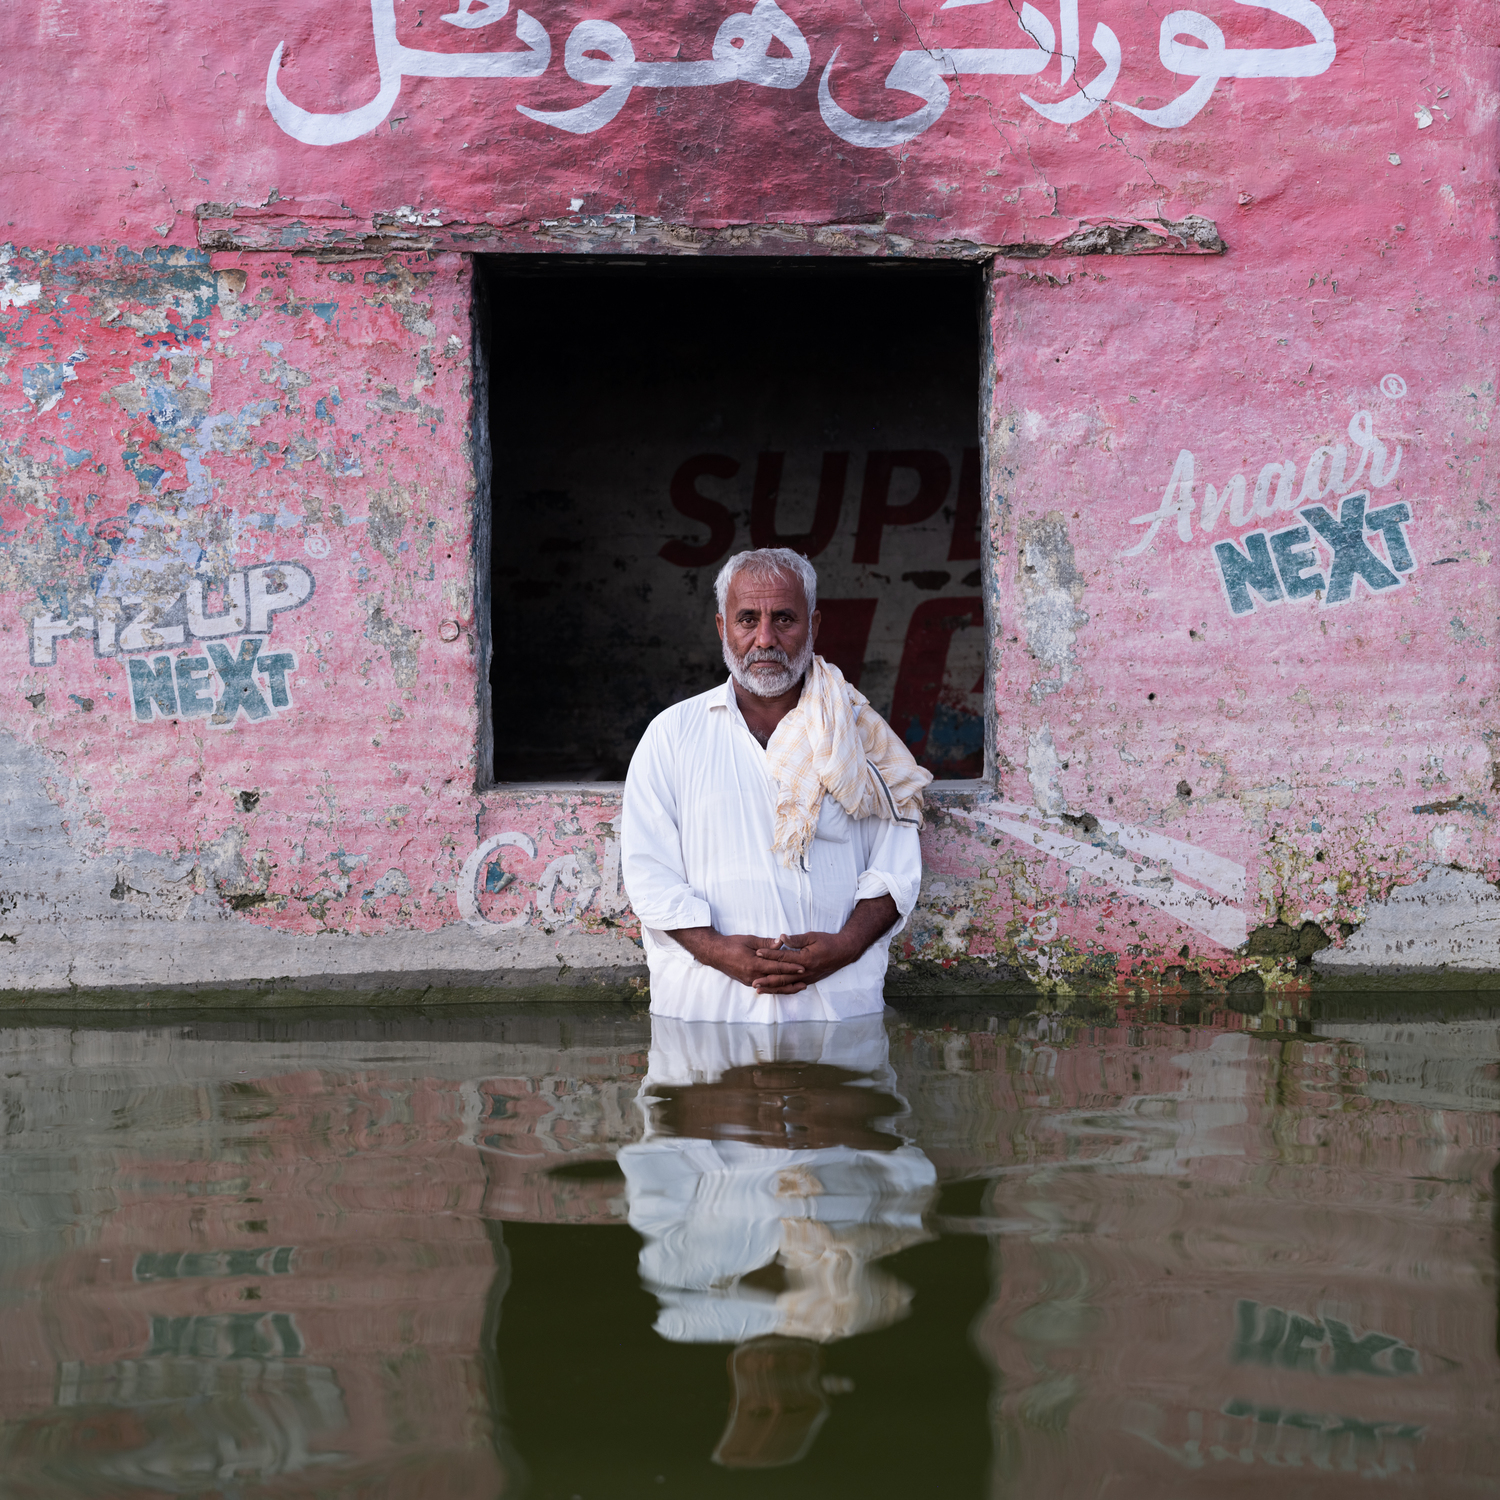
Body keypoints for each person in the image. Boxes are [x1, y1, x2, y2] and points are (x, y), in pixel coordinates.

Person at [621, 547, 932, 1023]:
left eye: (784, 618)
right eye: (748, 619)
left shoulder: (858, 734)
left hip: (837, 1014)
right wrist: (720, 952)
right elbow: (649, 876)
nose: (765, 638)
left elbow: (897, 865)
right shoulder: (672, 735)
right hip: (708, 1018)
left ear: (814, 625)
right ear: (723, 627)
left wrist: (846, 947)